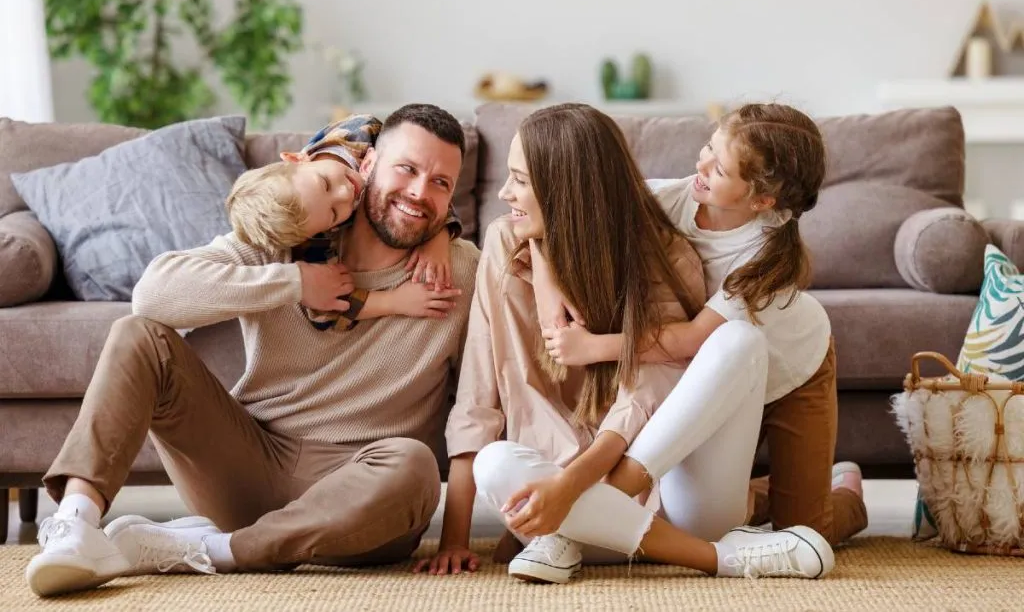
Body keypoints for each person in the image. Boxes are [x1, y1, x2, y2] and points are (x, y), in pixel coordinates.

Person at [26, 103, 480, 598]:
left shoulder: (460, 272)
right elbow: (154, 295)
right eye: (407, 169)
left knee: (413, 465)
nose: (419, 192)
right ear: (367, 166)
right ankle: (75, 525)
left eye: (441, 183)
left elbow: (480, 402)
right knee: (138, 335)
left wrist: (456, 536)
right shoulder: (292, 232)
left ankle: (215, 551)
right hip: (252, 461)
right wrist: (293, 283)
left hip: (364, 494)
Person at [417, 103, 833, 584]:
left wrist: (576, 484)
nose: (504, 194)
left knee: (740, 345)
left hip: (670, 466)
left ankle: (764, 527)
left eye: (521, 181)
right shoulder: (517, 239)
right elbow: (477, 395)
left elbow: (670, 365)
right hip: (559, 502)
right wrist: (455, 539)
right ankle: (709, 549)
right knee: (495, 464)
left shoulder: (696, 256)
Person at [540, 102, 868, 556]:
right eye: (707, 148)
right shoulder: (668, 200)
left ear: (761, 201)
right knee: (720, 503)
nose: (701, 165)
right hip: (722, 375)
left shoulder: (763, 259)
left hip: (793, 369)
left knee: (806, 529)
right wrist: (550, 280)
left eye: (721, 168)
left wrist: (594, 346)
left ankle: (847, 491)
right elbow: (552, 225)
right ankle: (758, 495)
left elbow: (693, 338)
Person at [226, 115, 462, 327]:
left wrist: (438, 237)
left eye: (325, 183)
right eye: (334, 213)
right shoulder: (314, 237)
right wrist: (394, 301)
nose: (346, 193)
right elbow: (328, 309)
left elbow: (427, 174)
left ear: (297, 159)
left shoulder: (361, 131)